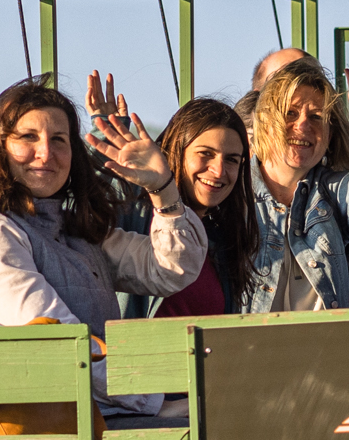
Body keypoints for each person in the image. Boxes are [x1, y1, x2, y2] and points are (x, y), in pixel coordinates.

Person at [0, 75, 207, 414]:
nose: (46, 153)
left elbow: (172, 270)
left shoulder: (70, 231)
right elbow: (56, 340)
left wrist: (163, 190)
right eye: (28, 137)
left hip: (97, 415)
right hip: (50, 428)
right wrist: (155, 404)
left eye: (59, 139)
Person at [242, 47, 349, 312]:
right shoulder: (234, 193)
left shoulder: (328, 192)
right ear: (265, 121)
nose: (303, 125)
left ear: (330, 135)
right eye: (290, 113)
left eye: (316, 117)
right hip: (249, 347)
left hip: (321, 347)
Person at [106, 93, 259, 319]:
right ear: (176, 151)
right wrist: (103, 147)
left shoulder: (223, 241)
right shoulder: (133, 210)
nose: (219, 171)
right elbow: (80, 218)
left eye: (231, 160)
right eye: (205, 154)